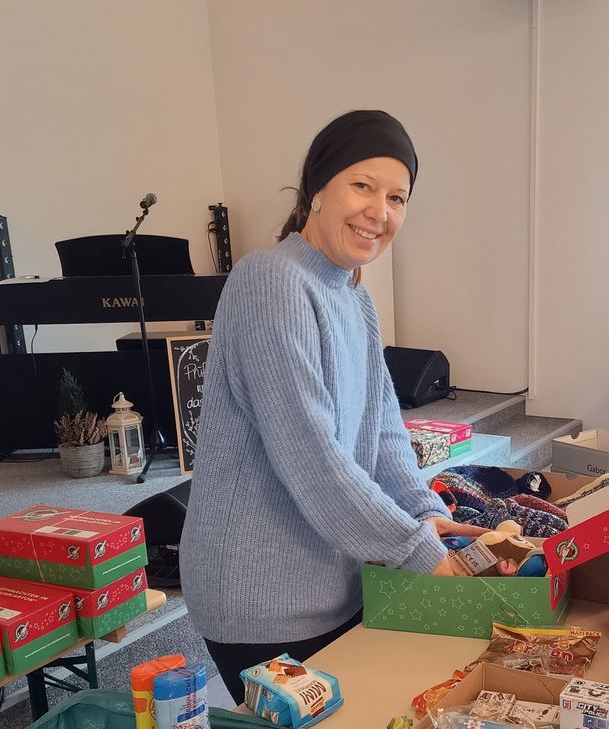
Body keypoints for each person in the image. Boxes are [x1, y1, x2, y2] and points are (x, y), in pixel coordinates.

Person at [179, 110, 484, 705]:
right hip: (260, 592)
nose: (381, 212)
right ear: (318, 188)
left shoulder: (354, 298)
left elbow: (384, 436)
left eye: (398, 197)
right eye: (363, 186)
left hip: (332, 578)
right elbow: (314, 459)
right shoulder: (271, 281)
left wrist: (425, 513)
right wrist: (414, 549)